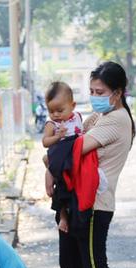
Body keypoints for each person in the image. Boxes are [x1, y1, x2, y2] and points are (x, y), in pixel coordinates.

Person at [55, 62, 136, 268]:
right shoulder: (101, 115)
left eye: (100, 91)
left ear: (117, 93)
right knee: (70, 264)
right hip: (75, 201)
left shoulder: (116, 119)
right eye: (91, 91)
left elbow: (70, 150)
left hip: (95, 204)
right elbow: (67, 141)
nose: (94, 96)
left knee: (95, 267)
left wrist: (52, 156)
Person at [41, 81, 83, 234]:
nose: (56, 114)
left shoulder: (77, 116)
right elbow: (45, 142)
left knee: (74, 189)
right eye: (51, 111)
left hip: (74, 158)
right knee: (61, 190)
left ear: (73, 105)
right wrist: (57, 137)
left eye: (60, 110)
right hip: (60, 158)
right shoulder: (52, 124)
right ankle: (63, 217)